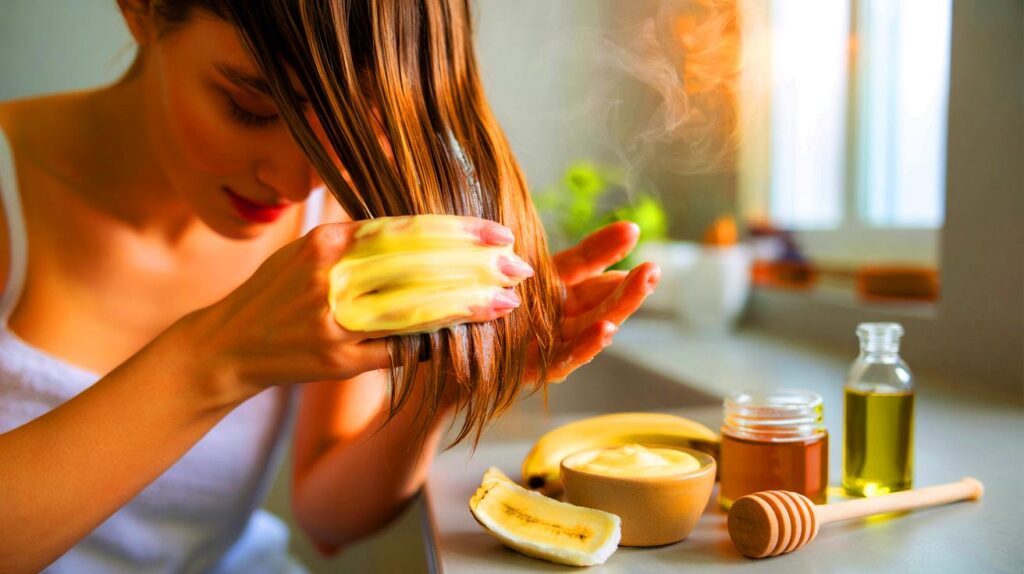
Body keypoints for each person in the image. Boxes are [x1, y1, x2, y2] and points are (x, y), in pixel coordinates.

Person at [0, 1, 660, 572]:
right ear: (140, 9)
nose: (295, 184)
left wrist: (443, 386)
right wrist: (218, 359)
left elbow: (327, 518)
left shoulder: (328, 217)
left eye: (354, 126)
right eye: (248, 106)